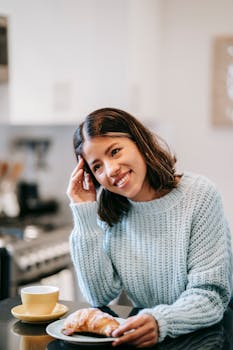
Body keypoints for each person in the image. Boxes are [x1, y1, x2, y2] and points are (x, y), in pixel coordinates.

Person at [66, 107, 233, 348]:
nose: (111, 170)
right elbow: (98, 296)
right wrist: (83, 213)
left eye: (115, 151)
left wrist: (161, 321)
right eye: (97, 167)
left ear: (139, 141)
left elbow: (210, 296)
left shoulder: (200, 195)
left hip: (206, 338)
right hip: (146, 338)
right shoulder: (109, 211)